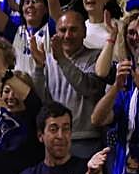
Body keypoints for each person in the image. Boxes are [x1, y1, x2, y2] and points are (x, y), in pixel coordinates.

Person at [32, 10, 108, 162]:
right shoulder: (48, 60)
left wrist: (61, 59)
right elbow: (45, 102)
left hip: (86, 140)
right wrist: (39, 68)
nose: (67, 35)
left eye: (73, 30)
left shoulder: (97, 57)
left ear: (84, 32)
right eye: (63, 30)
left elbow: (88, 88)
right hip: (56, 140)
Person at [90, 19, 139, 174]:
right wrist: (116, 88)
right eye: (131, 32)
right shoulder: (125, 82)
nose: (136, 36)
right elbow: (97, 118)